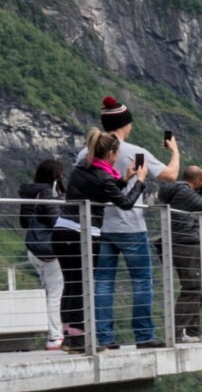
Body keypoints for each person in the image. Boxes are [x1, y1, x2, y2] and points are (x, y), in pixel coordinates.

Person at [75, 96, 175, 350]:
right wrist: (174, 151)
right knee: (141, 279)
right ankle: (143, 335)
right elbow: (170, 176)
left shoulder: (84, 154)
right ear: (125, 124)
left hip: (98, 226)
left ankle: (104, 338)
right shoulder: (135, 152)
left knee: (103, 282)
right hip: (130, 226)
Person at [62, 131, 147, 353]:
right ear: (110, 153)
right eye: (117, 153)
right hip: (83, 232)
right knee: (82, 286)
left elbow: (102, 189)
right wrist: (140, 181)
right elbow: (126, 203)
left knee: (71, 285)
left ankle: (69, 337)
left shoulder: (83, 165)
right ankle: (80, 340)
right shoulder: (103, 176)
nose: (118, 157)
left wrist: (124, 179)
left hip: (63, 230)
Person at [155, 165, 202, 341]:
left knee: (195, 286)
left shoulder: (173, 191)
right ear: (198, 181)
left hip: (173, 242)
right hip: (185, 244)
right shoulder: (187, 194)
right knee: (193, 287)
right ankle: (178, 332)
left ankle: (192, 331)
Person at [16, 159, 65, 352]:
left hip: (33, 250)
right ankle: (55, 337)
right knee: (55, 294)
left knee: (50, 291)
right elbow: (56, 222)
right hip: (50, 252)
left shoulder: (30, 193)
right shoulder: (48, 194)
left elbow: (24, 223)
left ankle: (58, 332)